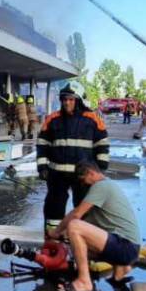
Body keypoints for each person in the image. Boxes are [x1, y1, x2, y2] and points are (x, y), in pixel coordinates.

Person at [49, 161, 141, 291]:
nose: (83, 184)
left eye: (83, 179)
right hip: (129, 248)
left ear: (91, 173)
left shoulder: (102, 186)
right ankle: (121, 270)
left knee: (74, 226)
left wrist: (56, 232)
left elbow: (76, 214)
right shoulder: (106, 190)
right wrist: (62, 236)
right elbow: (85, 224)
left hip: (126, 246)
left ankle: (84, 282)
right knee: (74, 245)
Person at [37, 86, 110, 234]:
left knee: (84, 207)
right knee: (54, 207)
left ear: (78, 101)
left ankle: (85, 236)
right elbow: (42, 144)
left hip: (83, 175)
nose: (67, 103)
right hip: (57, 174)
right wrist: (42, 167)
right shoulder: (52, 119)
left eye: (70, 99)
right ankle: (52, 236)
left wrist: (101, 167)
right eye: (64, 99)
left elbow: (102, 143)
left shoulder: (92, 119)